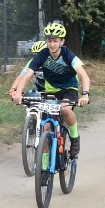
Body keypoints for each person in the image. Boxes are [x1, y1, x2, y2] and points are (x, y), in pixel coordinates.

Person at [10, 22, 91, 183]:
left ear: (62, 42)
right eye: (49, 41)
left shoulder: (68, 54)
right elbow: (26, 75)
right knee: (47, 128)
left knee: (66, 110)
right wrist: (18, 93)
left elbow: (84, 75)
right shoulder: (42, 55)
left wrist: (85, 95)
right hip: (50, 90)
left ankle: (74, 138)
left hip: (69, 89)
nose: (52, 44)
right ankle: (45, 169)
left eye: (55, 40)